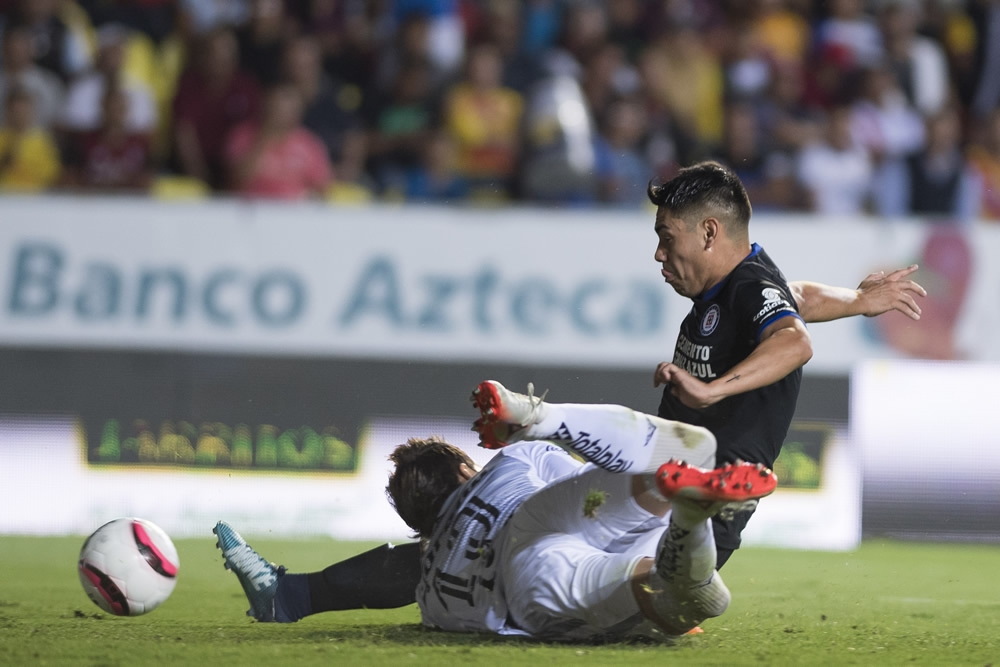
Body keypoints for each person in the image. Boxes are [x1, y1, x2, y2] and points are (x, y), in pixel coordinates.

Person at [214, 162, 926, 622]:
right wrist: (857, 301)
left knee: (644, 588)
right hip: (644, 482)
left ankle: (677, 525)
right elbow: (793, 298)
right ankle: (296, 593)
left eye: (666, 236)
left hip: (691, 495)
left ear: (711, 231)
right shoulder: (747, 283)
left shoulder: (746, 292)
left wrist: (715, 389)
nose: (657, 253)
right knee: (483, 539)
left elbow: (793, 339)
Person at [217, 380, 778, 640]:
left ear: (420, 528)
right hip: (540, 513)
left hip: (526, 584)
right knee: (682, 455)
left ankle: (689, 518)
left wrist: (289, 595)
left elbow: (386, 573)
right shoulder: (509, 465)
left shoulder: (430, 578)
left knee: (674, 595)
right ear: (466, 469)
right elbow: (590, 486)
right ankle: (545, 416)